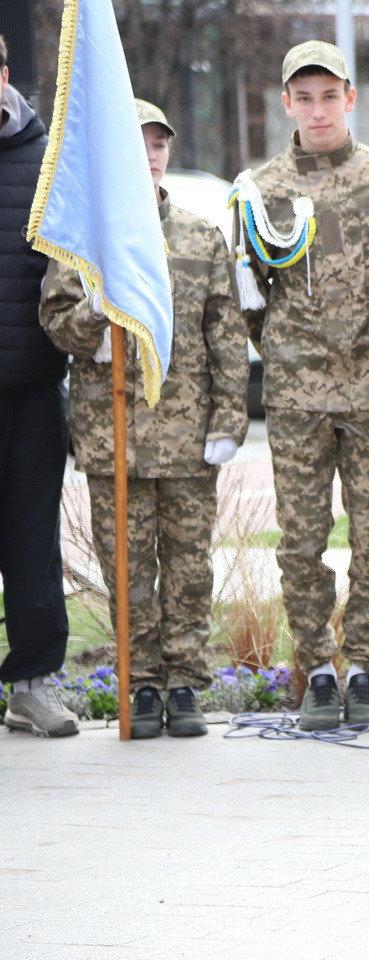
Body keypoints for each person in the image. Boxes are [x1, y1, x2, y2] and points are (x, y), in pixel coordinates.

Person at [40, 100, 249, 738]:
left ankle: (184, 684)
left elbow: (226, 335)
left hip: (187, 438)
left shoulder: (199, 236)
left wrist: (228, 421)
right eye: (138, 145)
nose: (150, 156)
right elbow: (56, 324)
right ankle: (142, 683)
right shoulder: (83, 241)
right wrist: (95, 313)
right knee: (127, 571)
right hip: (116, 440)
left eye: (159, 144)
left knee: (188, 568)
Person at [235, 41, 369, 731]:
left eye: (330, 96)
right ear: (287, 103)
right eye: (305, 98)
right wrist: (289, 351)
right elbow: (250, 296)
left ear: (350, 98)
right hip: (297, 396)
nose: (318, 110)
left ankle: (365, 669)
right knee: (301, 540)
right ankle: (319, 670)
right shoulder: (262, 190)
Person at [0, 33, 80, 738]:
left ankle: (31, 685)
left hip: (31, 385)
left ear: (4, 74)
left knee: (32, 541)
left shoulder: (47, 157)